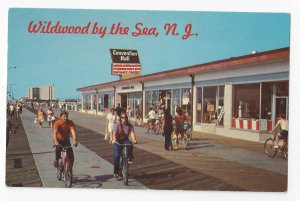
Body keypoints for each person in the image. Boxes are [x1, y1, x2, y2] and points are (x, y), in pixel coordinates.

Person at [112, 112, 137, 178]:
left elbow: (132, 133)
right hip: (117, 141)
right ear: (120, 118)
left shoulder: (129, 125)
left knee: (130, 144)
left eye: (125, 117)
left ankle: (129, 158)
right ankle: (116, 171)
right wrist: (114, 139)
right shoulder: (117, 125)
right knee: (117, 156)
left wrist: (134, 139)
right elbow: (114, 133)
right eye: (123, 117)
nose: (124, 119)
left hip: (125, 140)